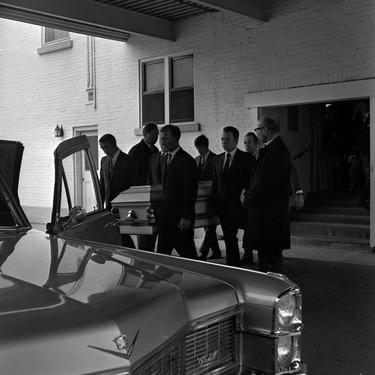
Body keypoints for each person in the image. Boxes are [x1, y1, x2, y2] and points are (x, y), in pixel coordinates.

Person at [241, 132, 304, 266]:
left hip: (271, 207)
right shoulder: (250, 158)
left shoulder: (275, 153)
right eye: (244, 143)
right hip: (256, 206)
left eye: (249, 143)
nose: (246, 145)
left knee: (271, 251)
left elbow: (291, 169)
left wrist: (298, 191)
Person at [242, 116, 292, 274]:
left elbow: (265, 180)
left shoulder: (276, 151)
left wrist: (248, 195)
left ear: (265, 130)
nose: (256, 133)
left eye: (258, 129)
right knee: (267, 259)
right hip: (267, 214)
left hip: (269, 215)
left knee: (270, 263)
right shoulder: (271, 149)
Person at [209, 126, 255, 267]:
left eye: (227, 139)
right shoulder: (217, 159)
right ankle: (233, 264)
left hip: (239, 205)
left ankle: (237, 262)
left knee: (235, 235)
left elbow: (251, 180)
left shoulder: (246, 158)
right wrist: (212, 204)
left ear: (235, 140)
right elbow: (215, 183)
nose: (224, 142)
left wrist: (246, 195)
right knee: (229, 236)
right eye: (222, 139)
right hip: (223, 205)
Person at [156, 124, 198, 259]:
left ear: (176, 138)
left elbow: (190, 191)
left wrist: (186, 216)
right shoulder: (164, 160)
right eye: (160, 139)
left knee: (189, 258)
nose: (162, 142)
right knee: (163, 257)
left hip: (180, 219)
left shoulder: (186, 161)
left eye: (166, 139)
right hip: (165, 219)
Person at [99, 133, 137, 248]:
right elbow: (102, 183)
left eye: (106, 147)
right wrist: (100, 202)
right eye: (102, 148)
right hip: (108, 203)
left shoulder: (127, 160)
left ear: (113, 145)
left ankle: (130, 252)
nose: (104, 150)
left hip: (122, 203)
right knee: (113, 230)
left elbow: (133, 184)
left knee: (122, 231)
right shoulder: (104, 160)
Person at [128, 123, 159, 251]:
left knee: (152, 229)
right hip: (140, 195)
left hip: (153, 194)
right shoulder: (136, 151)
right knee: (143, 229)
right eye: (154, 134)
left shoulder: (156, 150)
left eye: (157, 134)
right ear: (145, 134)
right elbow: (132, 176)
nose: (156, 137)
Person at [194, 135, 221, 261]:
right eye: (197, 148)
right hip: (201, 197)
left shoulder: (215, 159)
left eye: (200, 148)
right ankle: (216, 251)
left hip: (212, 196)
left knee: (210, 227)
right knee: (208, 226)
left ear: (206, 146)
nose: (199, 150)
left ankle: (204, 252)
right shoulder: (196, 160)